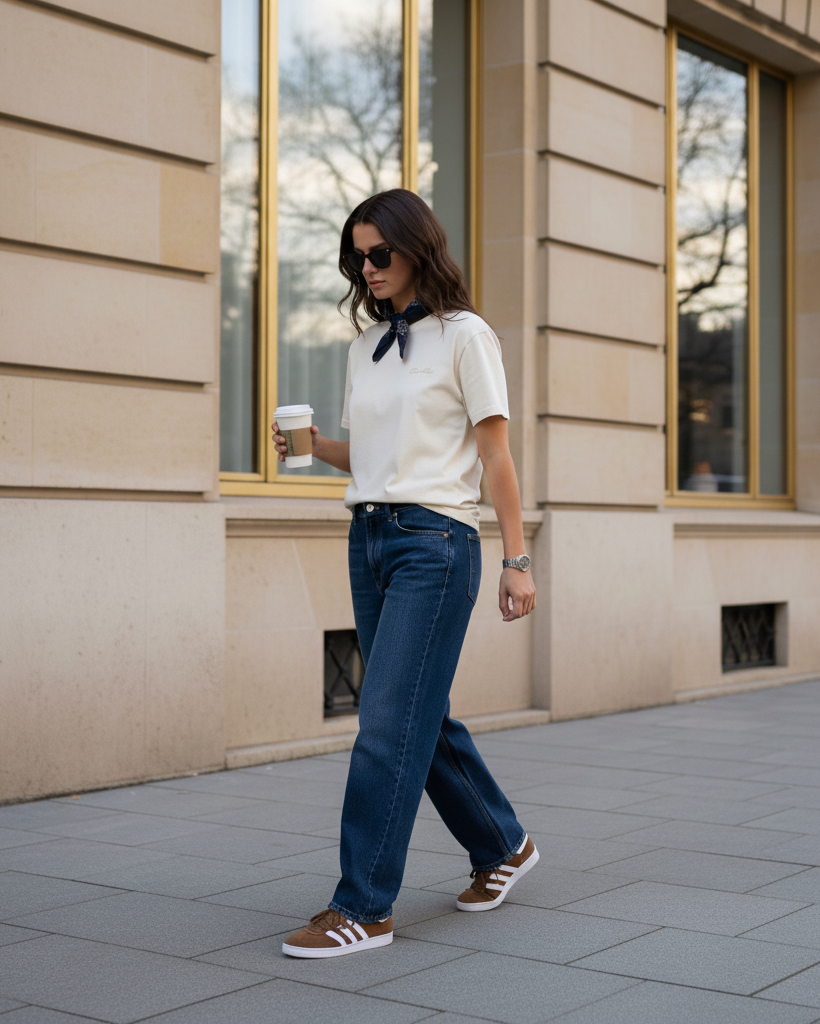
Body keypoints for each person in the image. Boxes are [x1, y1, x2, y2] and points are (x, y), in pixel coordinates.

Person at [272, 188, 538, 959]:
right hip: (371, 536)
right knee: (421, 714)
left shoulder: (466, 336)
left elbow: (494, 456)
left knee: (387, 723)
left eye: (379, 253)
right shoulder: (366, 346)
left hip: (436, 542)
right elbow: (380, 459)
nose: (367, 267)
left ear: (418, 248)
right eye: (357, 256)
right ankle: (505, 845)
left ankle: (363, 907)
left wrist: (517, 561)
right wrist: (318, 448)